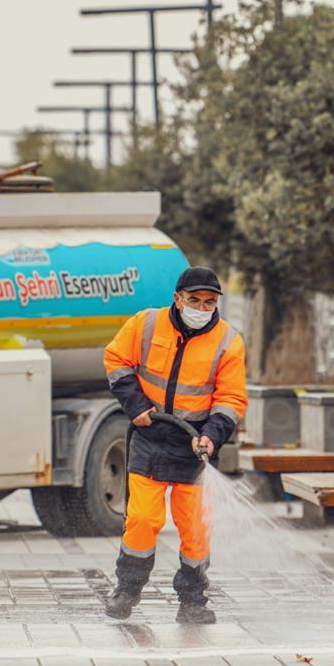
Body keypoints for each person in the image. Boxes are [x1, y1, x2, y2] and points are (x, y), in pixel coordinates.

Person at [101, 266, 248, 624]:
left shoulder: (229, 342)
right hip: (150, 437)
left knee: (195, 526)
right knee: (142, 519)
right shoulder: (146, 324)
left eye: (209, 302)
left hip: (192, 444)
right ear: (178, 299)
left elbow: (231, 399)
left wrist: (211, 436)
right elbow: (116, 360)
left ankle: (193, 600)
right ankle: (127, 590)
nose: (201, 307)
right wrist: (136, 406)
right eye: (194, 300)